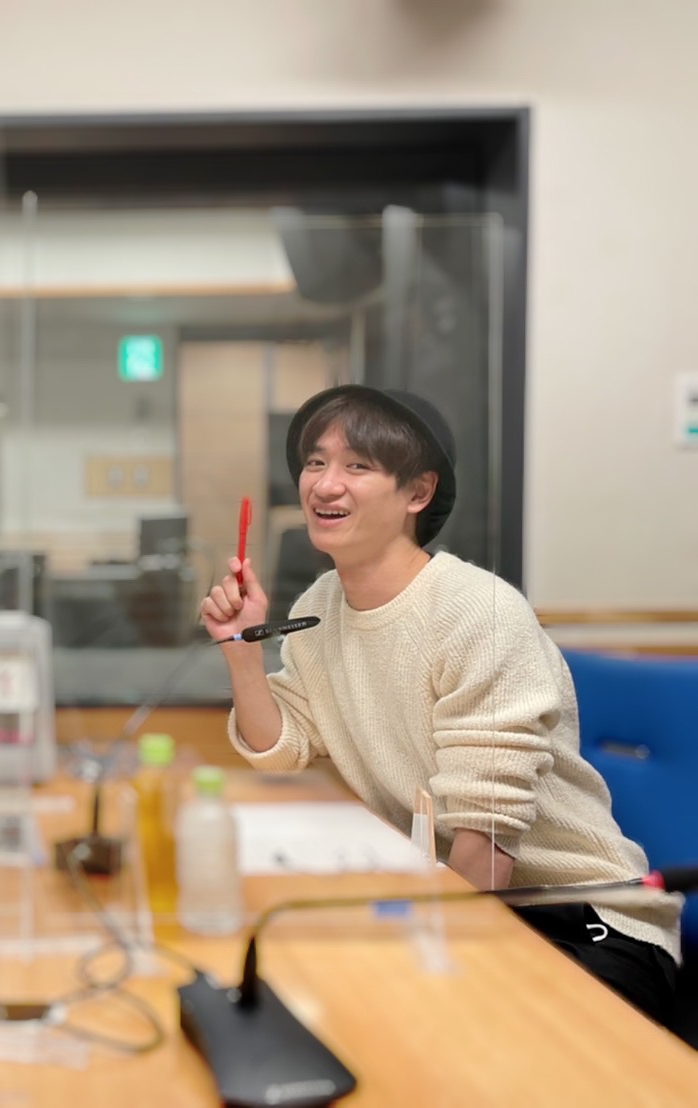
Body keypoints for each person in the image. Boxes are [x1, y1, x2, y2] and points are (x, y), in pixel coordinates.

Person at [199, 385, 680, 1023]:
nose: (324, 484)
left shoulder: (476, 611)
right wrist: (241, 649)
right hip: (451, 899)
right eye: (316, 462)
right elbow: (282, 747)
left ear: (418, 493)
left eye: (357, 465)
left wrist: (436, 978)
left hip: (583, 919)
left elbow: (486, 840)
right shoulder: (320, 606)